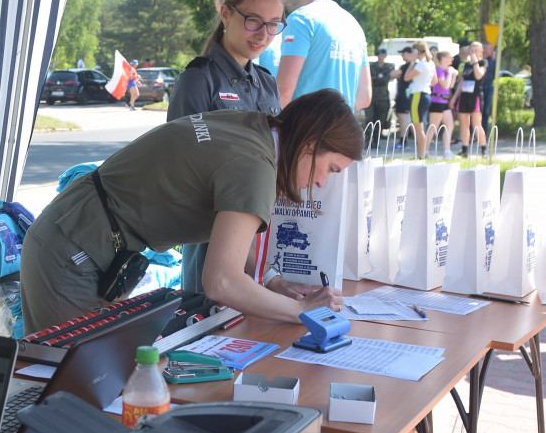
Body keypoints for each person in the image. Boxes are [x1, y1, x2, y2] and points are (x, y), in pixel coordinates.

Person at [19, 88, 362, 334]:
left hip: (81, 236)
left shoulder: (253, 129)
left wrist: (274, 281)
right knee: (69, 387)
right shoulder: (255, 165)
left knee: (97, 379)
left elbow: (233, 236)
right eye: (330, 169)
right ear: (310, 145)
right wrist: (301, 311)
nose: (320, 183)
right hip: (74, 249)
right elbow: (222, 281)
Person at [169, 0, 297, 299]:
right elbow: (180, 168)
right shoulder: (198, 80)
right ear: (226, 14)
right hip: (211, 238)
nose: (264, 34)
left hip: (258, 233)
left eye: (274, 24)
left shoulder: (266, 83)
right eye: (253, 21)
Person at [277, 0, 371, 111]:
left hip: (305, 130)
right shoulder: (354, 26)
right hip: (343, 130)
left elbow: (283, 92)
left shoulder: (300, 19)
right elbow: (364, 97)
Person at [449, 41, 488, 157]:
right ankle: (464, 149)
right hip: (464, 96)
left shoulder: (483, 63)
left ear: (481, 51)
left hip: (475, 96)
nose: (473, 53)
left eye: (476, 50)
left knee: (477, 124)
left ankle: (483, 149)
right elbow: (462, 82)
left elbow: (479, 75)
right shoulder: (466, 65)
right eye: (472, 50)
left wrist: (475, 62)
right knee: (464, 124)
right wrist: (454, 98)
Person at [404, 40, 435, 157]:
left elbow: (407, 77)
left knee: (418, 127)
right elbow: (434, 81)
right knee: (420, 125)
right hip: (426, 94)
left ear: (417, 51)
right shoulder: (430, 63)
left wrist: (412, 63)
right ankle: (423, 152)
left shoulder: (421, 64)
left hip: (418, 95)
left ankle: (422, 153)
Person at [427, 50, 457, 158]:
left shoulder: (446, 70)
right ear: (444, 58)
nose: (452, 59)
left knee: (450, 125)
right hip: (437, 101)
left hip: (444, 101)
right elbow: (444, 85)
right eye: (450, 56)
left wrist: (453, 75)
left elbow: (451, 86)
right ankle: (425, 151)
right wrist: (450, 74)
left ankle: (447, 151)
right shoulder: (439, 70)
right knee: (433, 127)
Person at [390, 46, 415, 145]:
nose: (401, 55)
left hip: (404, 95)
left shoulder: (407, 65)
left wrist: (396, 73)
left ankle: (403, 140)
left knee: (403, 118)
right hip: (407, 95)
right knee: (408, 119)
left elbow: (393, 74)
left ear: (409, 54)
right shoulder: (412, 65)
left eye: (403, 53)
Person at [368, 48, 394, 137]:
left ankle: (377, 138)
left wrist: (378, 78)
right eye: (379, 55)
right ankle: (370, 139)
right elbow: (370, 79)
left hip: (383, 97)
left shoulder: (388, 66)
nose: (381, 57)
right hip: (372, 96)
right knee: (370, 119)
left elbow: (388, 78)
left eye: (383, 55)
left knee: (381, 119)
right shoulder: (371, 66)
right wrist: (380, 78)